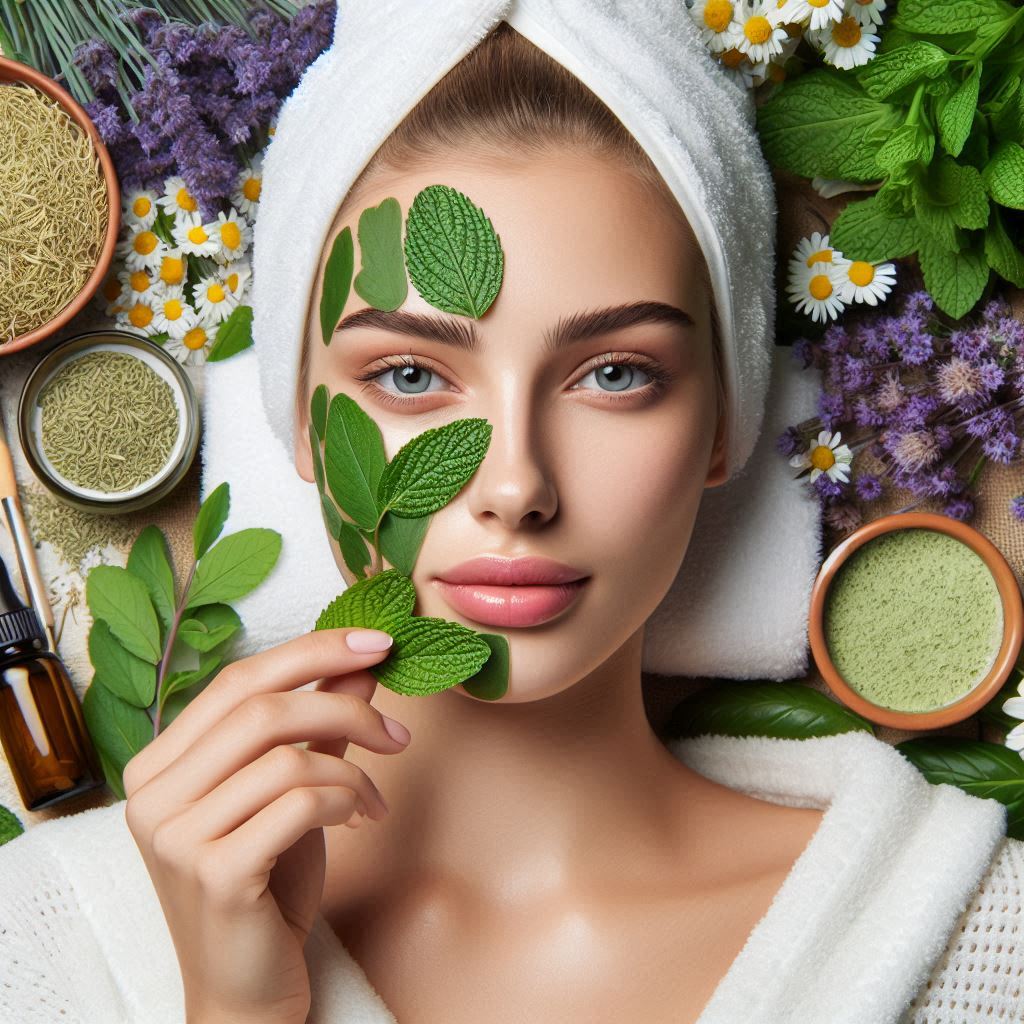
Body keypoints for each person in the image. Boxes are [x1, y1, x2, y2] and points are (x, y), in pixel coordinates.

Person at [1, 8, 1022, 1024]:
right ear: (301, 425)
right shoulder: (49, 940)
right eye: (409, 374)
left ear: (722, 424)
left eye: (615, 374)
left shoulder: (988, 941)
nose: (514, 482)